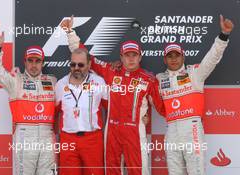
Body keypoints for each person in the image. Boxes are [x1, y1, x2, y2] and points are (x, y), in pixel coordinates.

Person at [61, 16, 165, 175]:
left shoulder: (149, 79)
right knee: (112, 171)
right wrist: (70, 33)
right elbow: (86, 57)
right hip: (112, 133)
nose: (131, 59)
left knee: (139, 172)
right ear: (121, 57)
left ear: (140, 57)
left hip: (135, 134)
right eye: (127, 55)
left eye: (134, 55)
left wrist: (147, 117)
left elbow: (164, 108)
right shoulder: (111, 71)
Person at [156, 15, 234, 175]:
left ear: (182, 56)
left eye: (176, 55)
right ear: (165, 59)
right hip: (171, 130)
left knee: (197, 172)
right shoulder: (158, 79)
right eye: (169, 56)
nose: (173, 59)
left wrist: (223, 36)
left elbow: (212, 59)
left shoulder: (194, 73)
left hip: (192, 128)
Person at [0, 28, 57, 175]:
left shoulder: (53, 81)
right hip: (24, 136)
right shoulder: (16, 80)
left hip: (47, 136)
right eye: (30, 60)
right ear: (24, 61)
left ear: (42, 63)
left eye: (37, 61)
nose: (33, 64)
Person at [55, 48, 107, 175]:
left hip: (92, 139)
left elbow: (112, 109)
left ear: (89, 65)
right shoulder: (61, 84)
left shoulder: (99, 82)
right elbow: (53, 113)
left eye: (81, 64)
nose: (76, 68)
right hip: (68, 139)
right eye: (73, 64)